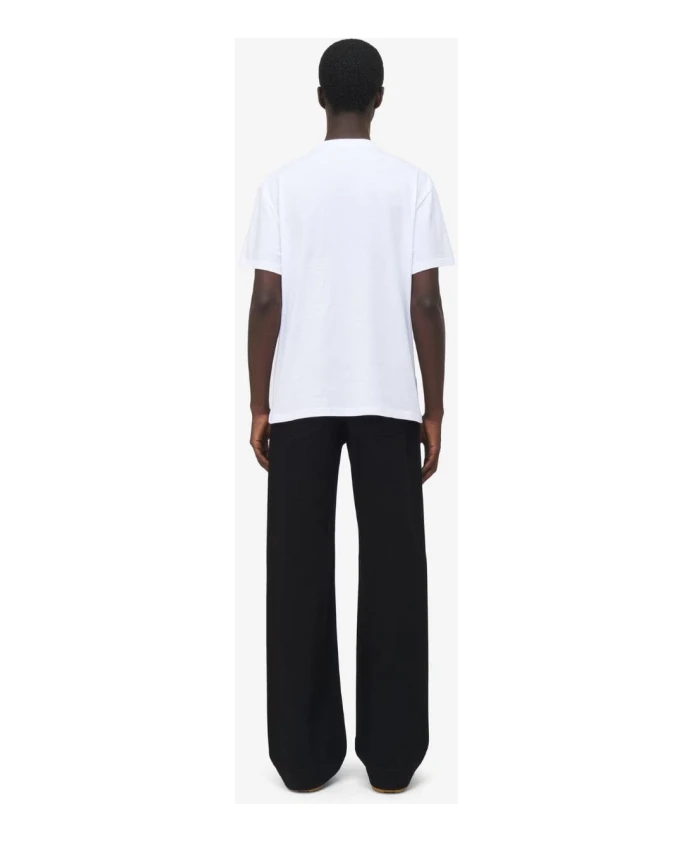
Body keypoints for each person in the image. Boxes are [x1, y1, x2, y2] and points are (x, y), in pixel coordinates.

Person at [240, 38, 454, 794]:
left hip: (300, 400)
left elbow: (265, 299)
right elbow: (424, 301)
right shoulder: (411, 184)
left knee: (296, 571)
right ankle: (392, 761)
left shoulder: (282, 186)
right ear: (380, 97)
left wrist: (259, 401)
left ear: (320, 96)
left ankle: (302, 760)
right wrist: (434, 409)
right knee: (395, 574)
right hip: (388, 398)